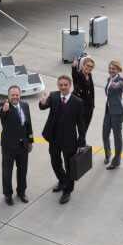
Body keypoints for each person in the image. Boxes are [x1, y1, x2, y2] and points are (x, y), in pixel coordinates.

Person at [39, 75, 87, 204]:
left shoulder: (77, 102)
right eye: (61, 85)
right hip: (53, 138)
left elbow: (81, 124)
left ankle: (67, 191)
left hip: (69, 140)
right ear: (58, 85)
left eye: (65, 85)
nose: (63, 87)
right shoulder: (54, 96)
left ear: (70, 85)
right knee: (55, 161)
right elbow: (43, 106)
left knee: (69, 166)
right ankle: (62, 180)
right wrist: (42, 102)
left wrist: (81, 142)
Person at [0, 85, 34, 206]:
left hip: (23, 144)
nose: (14, 97)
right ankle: (8, 194)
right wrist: (4, 110)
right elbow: (0, 113)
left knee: (23, 170)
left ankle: (21, 192)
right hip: (9, 146)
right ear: (8, 96)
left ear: (20, 95)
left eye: (17, 95)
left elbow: (29, 125)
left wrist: (30, 141)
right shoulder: (4, 106)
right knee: (7, 171)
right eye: (12, 95)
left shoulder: (25, 105)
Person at [102, 60, 123, 169]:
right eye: (110, 68)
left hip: (117, 113)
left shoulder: (120, 80)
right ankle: (108, 154)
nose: (111, 70)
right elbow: (108, 93)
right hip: (108, 111)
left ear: (118, 70)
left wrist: (116, 85)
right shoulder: (109, 79)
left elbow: (120, 85)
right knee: (105, 134)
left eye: (113, 69)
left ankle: (116, 161)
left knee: (117, 137)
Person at [71, 56, 95, 133]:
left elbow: (91, 90)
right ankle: (76, 143)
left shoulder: (89, 75)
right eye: (87, 65)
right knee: (79, 126)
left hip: (89, 106)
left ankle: (81, 143)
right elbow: (74, 75)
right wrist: (73, 67)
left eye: (91, 66)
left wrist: (92, 104)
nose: (89, 68)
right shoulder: (79, 75)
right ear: (83, 65)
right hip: (80, 106)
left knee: (85, 127)